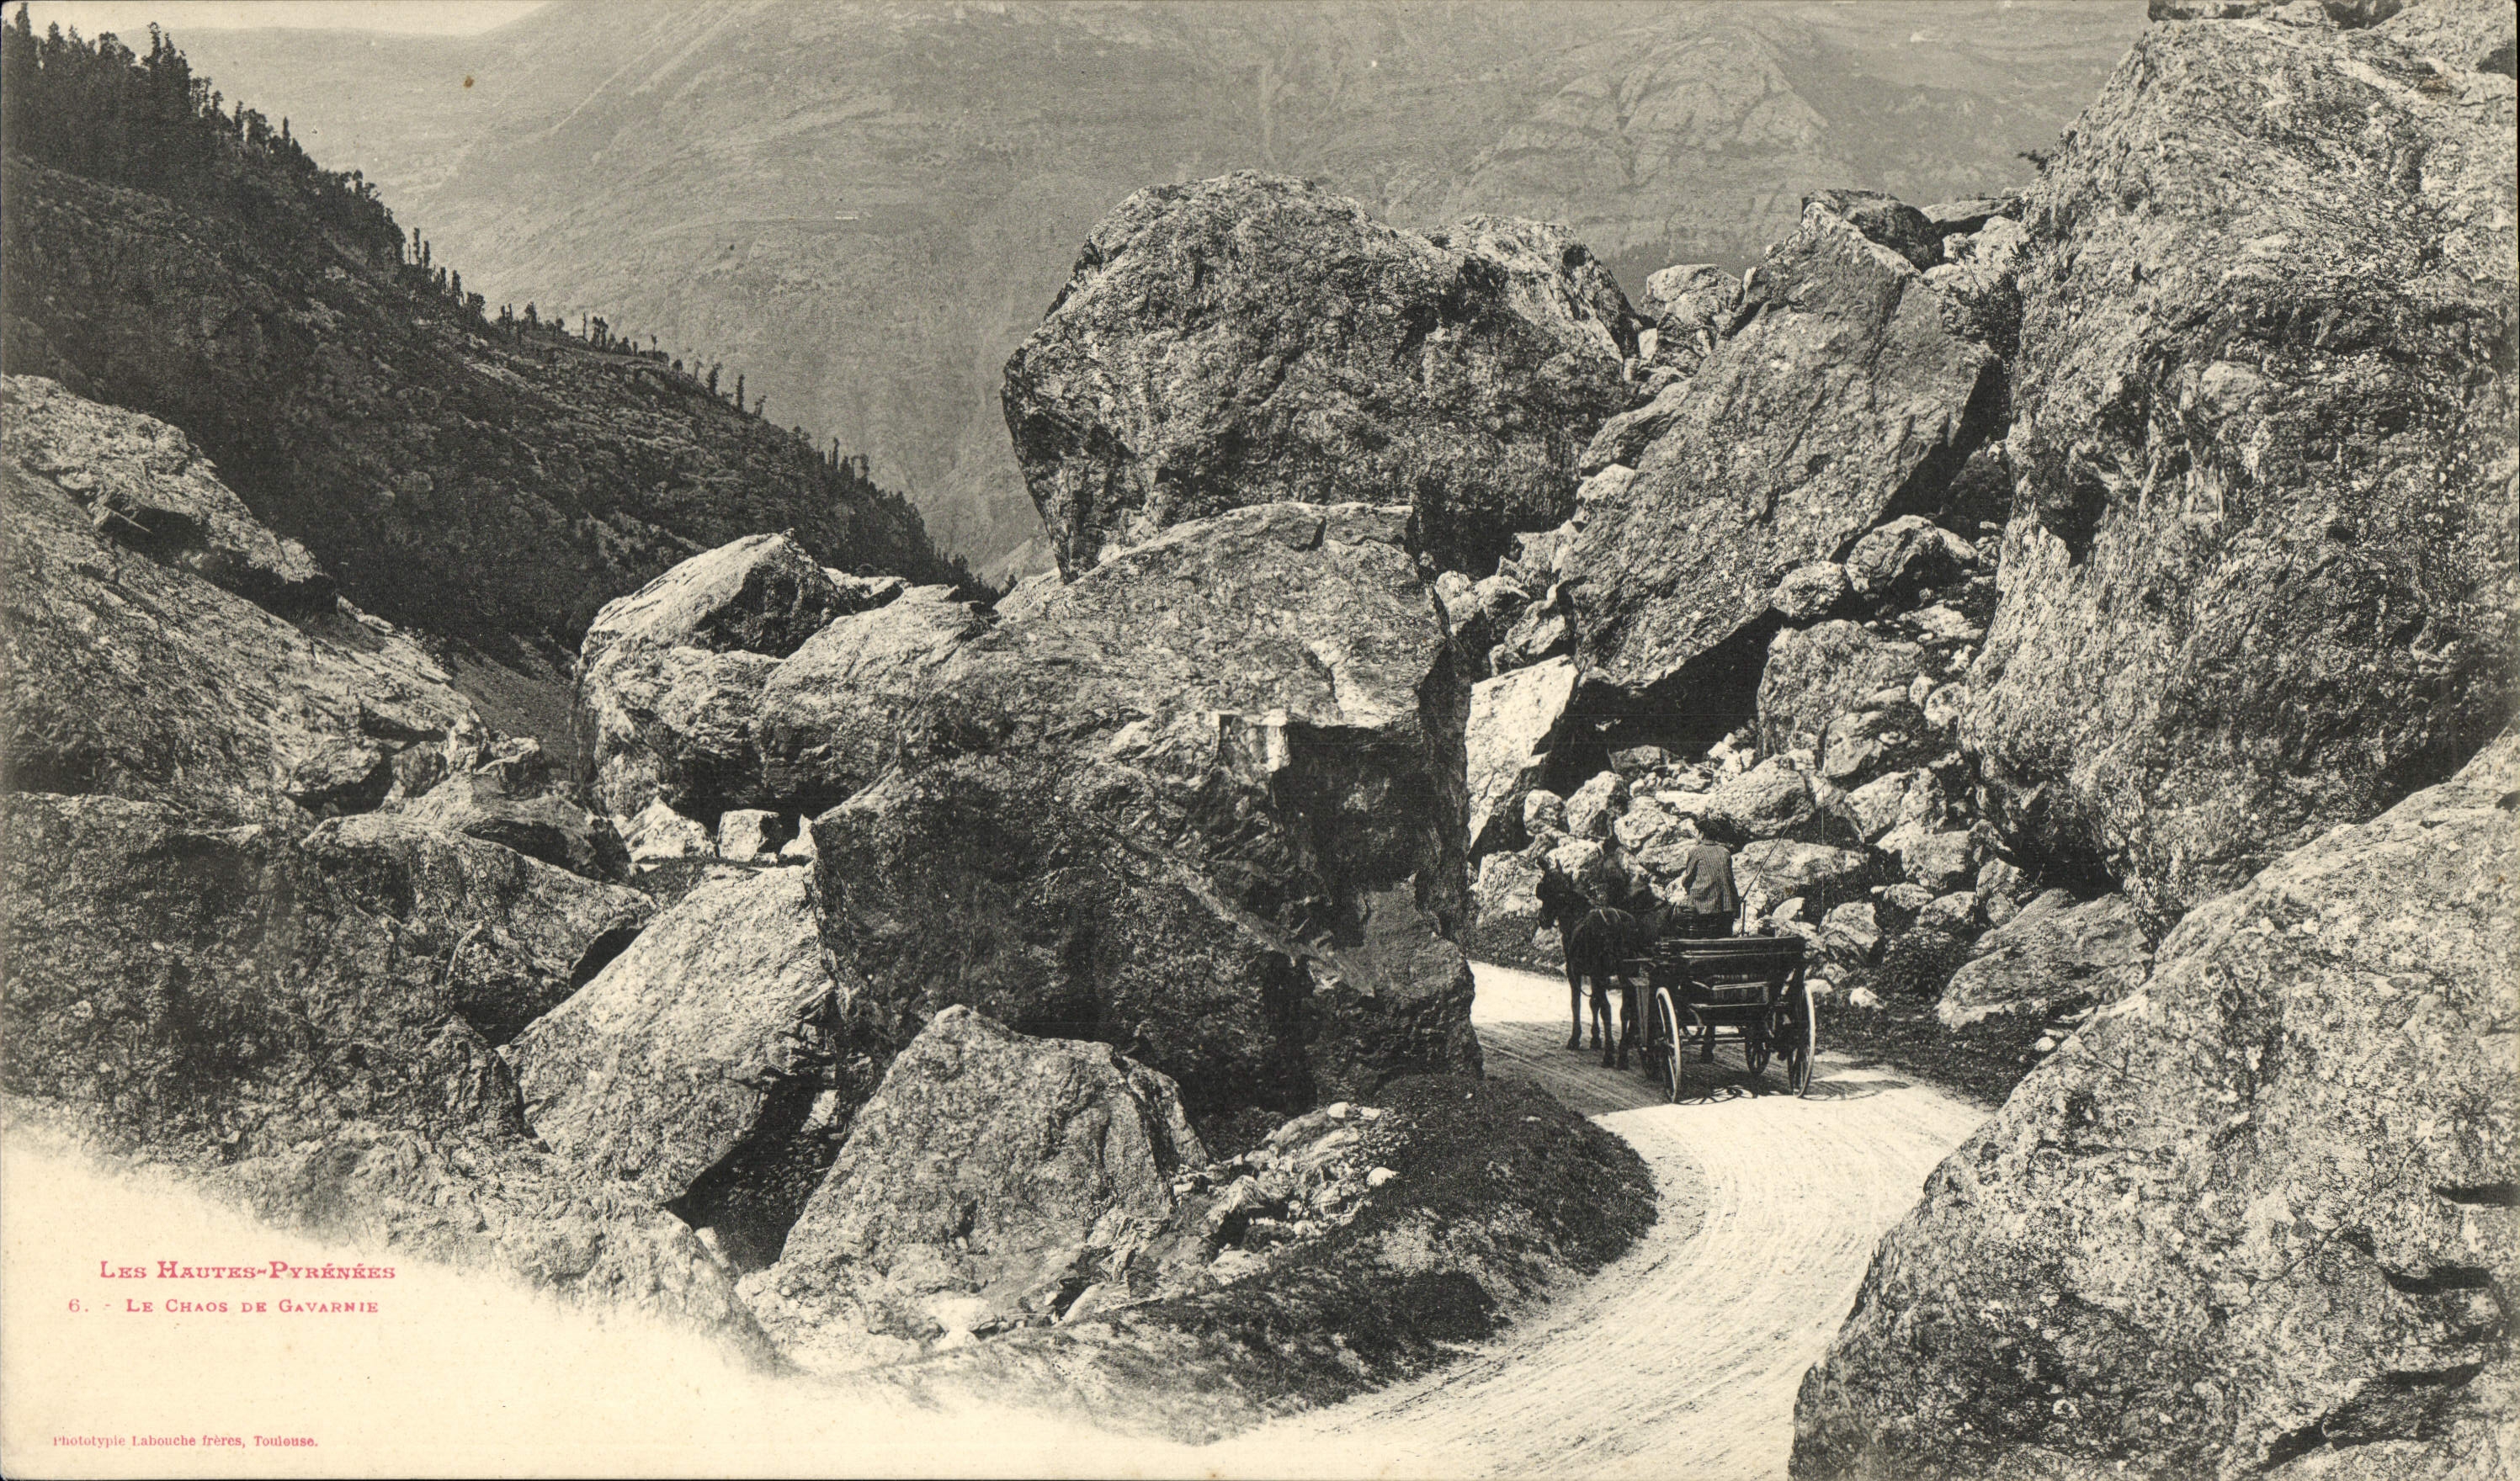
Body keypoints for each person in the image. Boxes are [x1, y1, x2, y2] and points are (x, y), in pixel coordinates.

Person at [1671, 833, 1740, 939]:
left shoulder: (1696, 851)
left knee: (1677, 914)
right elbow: (1730, 880)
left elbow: (1688, 878)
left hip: (1703, 907)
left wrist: (1687, 886)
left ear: (1702, 834)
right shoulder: (1726, 852)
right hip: (1725, 907)